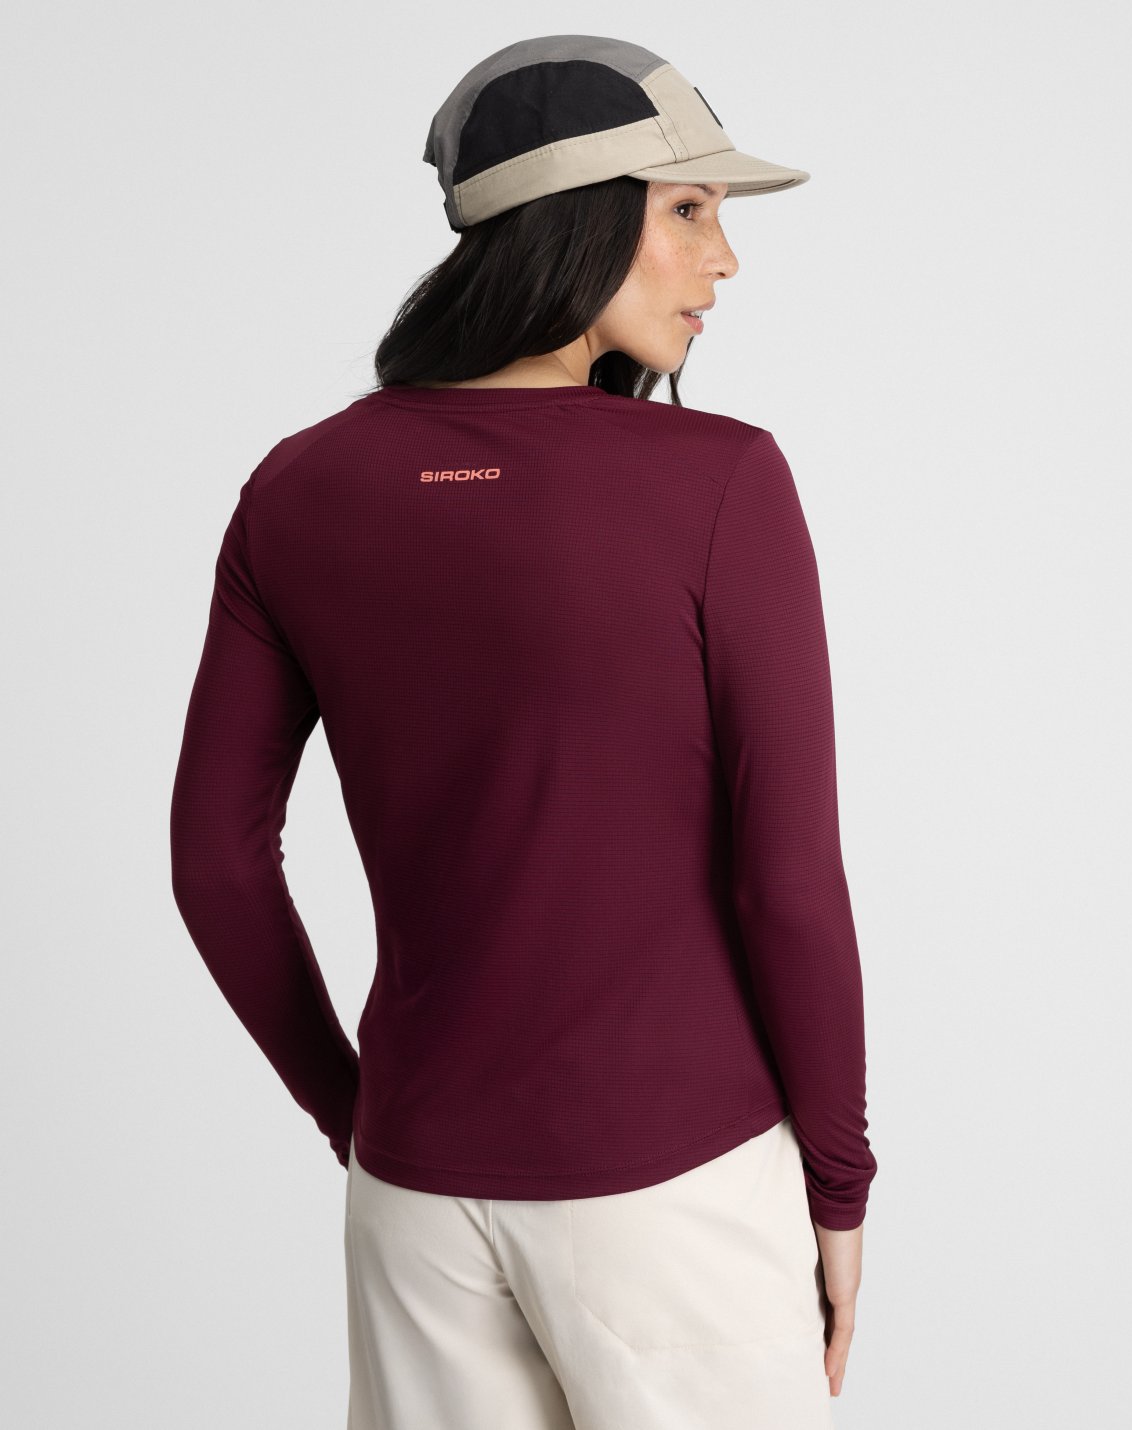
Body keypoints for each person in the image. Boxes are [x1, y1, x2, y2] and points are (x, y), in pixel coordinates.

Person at [169, 32, 879, 1430]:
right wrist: (841, 1186)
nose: (725, 260)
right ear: (577, 216)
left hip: (416, 1196)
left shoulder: (296, 489)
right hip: (675, 1192)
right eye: (689, 210)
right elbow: (788, 882)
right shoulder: (721, 482)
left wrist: (356, 1115)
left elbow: (215, 865)